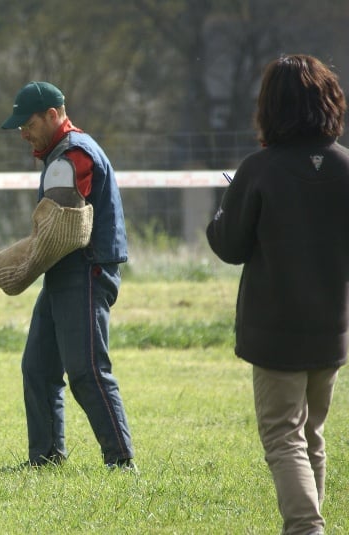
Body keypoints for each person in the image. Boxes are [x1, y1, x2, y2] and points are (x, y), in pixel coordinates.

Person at [206, 54, 349, 535]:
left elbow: (229, 245)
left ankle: (306, 528)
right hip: (331, 330)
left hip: (274, 332)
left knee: (283, 436)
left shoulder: (259, 169)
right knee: (313, 435)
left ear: (271, 107)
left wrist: (222, 210)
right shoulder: (346, 166)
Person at [0, 81, 135, 470]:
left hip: (85, 271)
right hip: (65, 273)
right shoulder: (60, 153)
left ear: (53, 115)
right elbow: (54, 234)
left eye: (28, 123)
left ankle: (121, 462)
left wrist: (21, 267)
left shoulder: (72, 156)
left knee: (88, 371)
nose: (22, 132)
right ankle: (46, 458)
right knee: (37, 368)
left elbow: (62, 231)